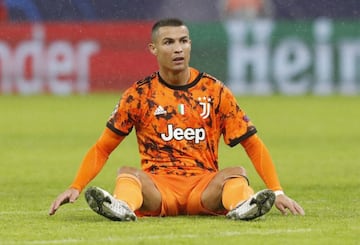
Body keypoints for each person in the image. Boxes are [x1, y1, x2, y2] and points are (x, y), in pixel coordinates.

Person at [49, 18, 305, 221]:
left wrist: (277, 191)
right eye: (169, 42)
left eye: (183, 41)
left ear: (191, 44)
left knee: (236, 174)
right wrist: (76, 186)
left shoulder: (214, 91)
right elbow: (103, 148)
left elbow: (252, 144)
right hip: (158, 190)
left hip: (204, 188)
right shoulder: (139, 94)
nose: (178, 48)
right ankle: (122, 207)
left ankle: (242, 206)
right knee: (127, 173)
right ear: (154, 48)